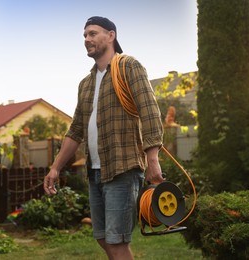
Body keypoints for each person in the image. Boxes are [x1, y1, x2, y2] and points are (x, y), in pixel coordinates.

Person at [44, 16, 164, 260]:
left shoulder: (129, 66)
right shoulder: (86, 84)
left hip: (122, 167)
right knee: (101, 236)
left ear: (111, 36)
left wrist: (153, 160)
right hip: (95, 171)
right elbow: (76, 129)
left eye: (93, 33)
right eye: (85, 35)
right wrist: (55, 167)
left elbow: (150, 110)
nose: (87, 39)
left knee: (117, 241)